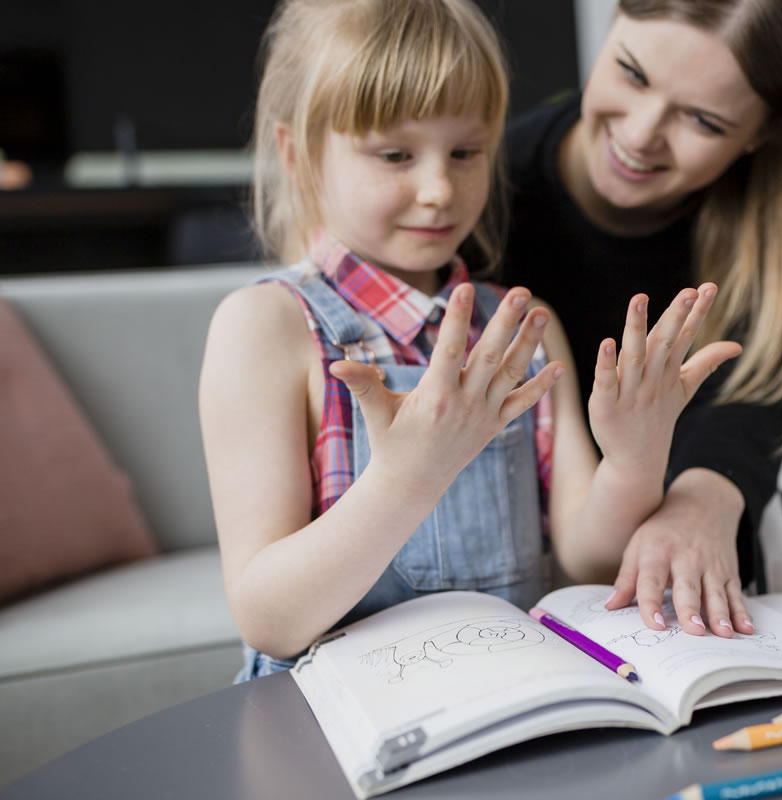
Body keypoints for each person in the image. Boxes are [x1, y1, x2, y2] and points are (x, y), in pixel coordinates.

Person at [198, 0, 739, 681]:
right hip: (332, 724)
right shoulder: (266, 328)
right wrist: (404, 479)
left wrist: (634, 457)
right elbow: (268, 620)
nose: (438, 189)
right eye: (395, 154)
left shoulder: (522, 327)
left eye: (465, 152)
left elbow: (587, 558)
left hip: (501, 702)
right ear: (298, 155)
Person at [496, 0, 782, 637]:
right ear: (611, 25)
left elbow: (759, 393)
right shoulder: (481, 186)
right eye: (632, 73)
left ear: (769, 129)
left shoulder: (774, 223)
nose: (641, 134)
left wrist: (705, 496)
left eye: (702, 120)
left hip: (674, 523)